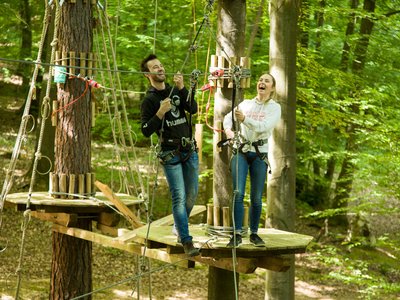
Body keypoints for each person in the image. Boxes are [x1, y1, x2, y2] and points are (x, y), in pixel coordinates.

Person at [140, 54, 200, 257]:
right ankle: (186, 240)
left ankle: (178, 225)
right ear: (148, 74)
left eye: (161, 65)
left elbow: (193, 109)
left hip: (189, 150)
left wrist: (183, 88)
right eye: (155, 67)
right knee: (179, 196)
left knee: (192, 195)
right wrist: (159, 112)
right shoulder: (149, 100)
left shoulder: (175, 91)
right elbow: (146, 130)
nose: (160, 69)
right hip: (170, 153)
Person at [223, 73, 281, 248]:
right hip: (241, 150)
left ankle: (254, 233)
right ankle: (236, 234)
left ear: (272, 88)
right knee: (238, 192)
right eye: (260, 80)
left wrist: (245, 120)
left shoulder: (275, 108)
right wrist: (229, 132)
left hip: (259, 153)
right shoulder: (246, 104)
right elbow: (228, 118)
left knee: (256, 197)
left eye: (266, 81)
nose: (262, 83)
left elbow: (264, 127)